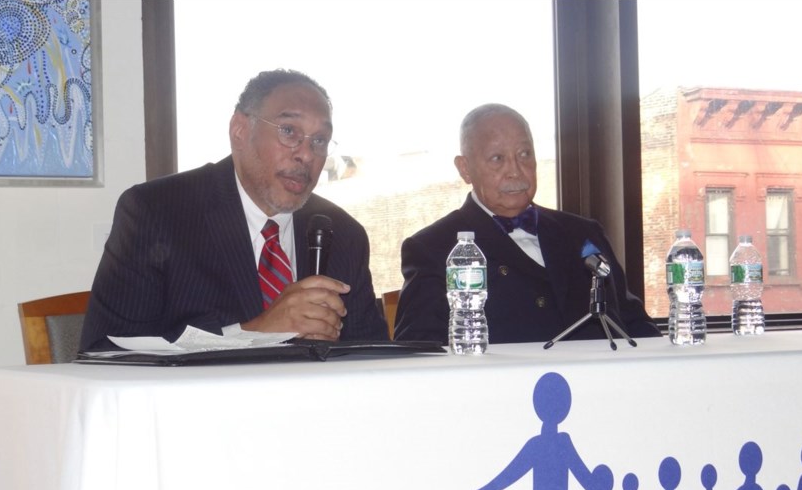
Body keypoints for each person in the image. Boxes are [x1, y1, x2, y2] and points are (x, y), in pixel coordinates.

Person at [80, 69, 388, 352]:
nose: (306, 154)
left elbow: (372, 357)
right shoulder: (156, 212)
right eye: (289, 131)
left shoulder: (344, 233)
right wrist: (254, 332)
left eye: (319, 140)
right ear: (240, 130)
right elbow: (106, 349)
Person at [394, 103, 659, 344]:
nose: (515, 170)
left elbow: (634, 324)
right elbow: (419, 351)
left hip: (601, 389)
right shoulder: (432, 247)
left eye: (524, 154)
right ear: (465, 169)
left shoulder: (583, 233)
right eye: (498, 158)